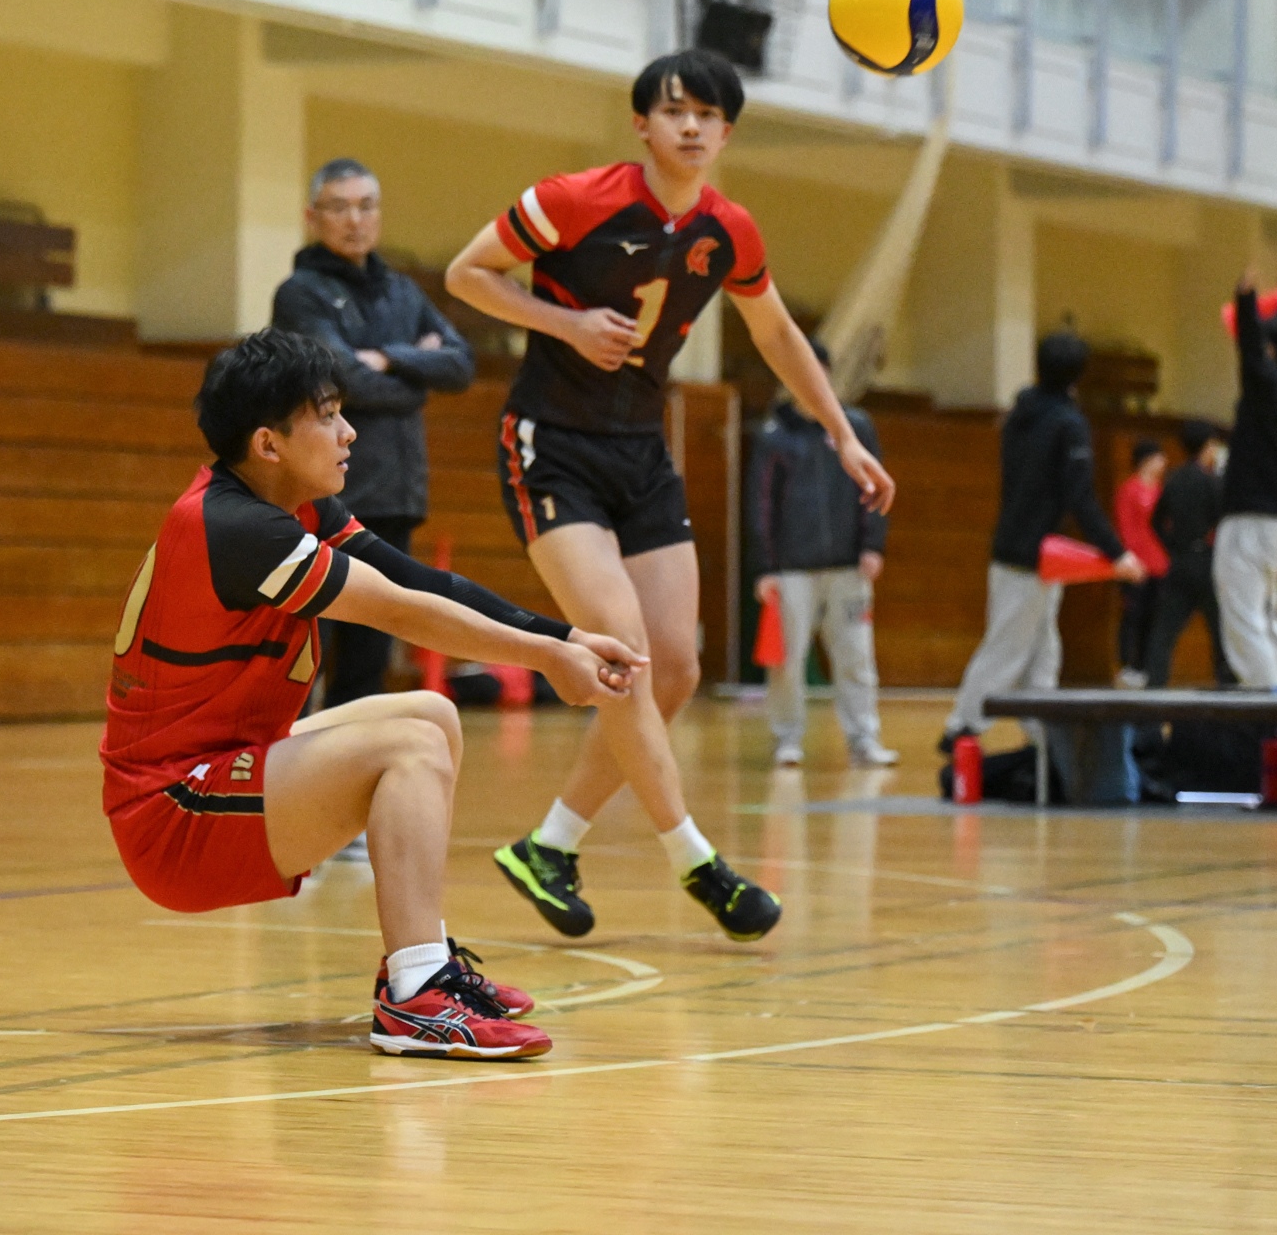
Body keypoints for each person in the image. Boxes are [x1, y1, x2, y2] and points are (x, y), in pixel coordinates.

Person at [445, 48, 891, 942]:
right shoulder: (576, 199)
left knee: (677, 668)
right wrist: (566, 323)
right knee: (626, 653)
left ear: (727, 133)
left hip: (642, 454)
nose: (691, 127)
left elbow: (776, 334)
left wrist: (842, 433)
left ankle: (549, 845)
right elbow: (467, 273)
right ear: (641, 124)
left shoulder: (730, 231)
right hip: (552, 448)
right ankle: (697, 859)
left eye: (708, 115)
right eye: (675, 111)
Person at [103, 330, 644, 1058]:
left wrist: (567, 637)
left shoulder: (292, 507)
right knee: (408, 745)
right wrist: (547, 658)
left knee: (431, 712)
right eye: (328, 415)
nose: (349, 431)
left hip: (221, 769)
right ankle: (416, 998)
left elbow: (421, 582)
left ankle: (424, 963)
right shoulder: (236, 527)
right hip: (174, 812)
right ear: (268, 444)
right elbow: (400, 612)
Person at [272, 156, 475, 722]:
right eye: (339, 207)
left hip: (394, 497)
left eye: (366, 206)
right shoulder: (300, 294)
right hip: (324, 499)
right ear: (313, 216)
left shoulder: (403, 293)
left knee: (368, 664)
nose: (354, 220)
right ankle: (284, 767)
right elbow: (343, 377)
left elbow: (460, 364)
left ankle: (348, 767)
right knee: (306, 656)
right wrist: (416, 376)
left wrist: (387, 357)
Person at [941, 333, 1146, 748]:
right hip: (1032, 554)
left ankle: (1043, 733)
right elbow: (1080, 497)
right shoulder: (1068, 423)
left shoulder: (1019, 414)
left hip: (1022, 549)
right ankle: (961, 727)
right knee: (1008, 647)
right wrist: (1117, 552)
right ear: (1079, 374)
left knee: (1043, 648)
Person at [746, 339, 894, 767]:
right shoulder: (775, 436)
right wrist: (766, 567)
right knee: (787, 662)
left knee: (856, 656)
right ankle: (787, 737)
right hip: (792, 570)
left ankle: (863, 739)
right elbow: (760, 504)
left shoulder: (856, 427)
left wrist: (872, 545)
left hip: (848, 567)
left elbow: (874, 485)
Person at [1215, 274, 1277, 692]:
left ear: (1272, 348)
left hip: (1249, 517)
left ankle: (1268, 704)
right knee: (1265, 610)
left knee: (1243, 614)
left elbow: (1250, 350)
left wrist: (1246, 299)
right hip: (1274, 520)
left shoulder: (1267, 386)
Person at [1141, 420, 1233, 690]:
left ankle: (1154, 689)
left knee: (1164, 632)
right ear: (1207, 446)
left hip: (1179, 562)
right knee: (1220, 631)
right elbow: (1224, 520)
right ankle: (1228, 688)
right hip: (1206, 561)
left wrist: (1173, 545)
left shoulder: (1173, 479)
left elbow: (1155, 522)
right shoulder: (1211, 481)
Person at [1112, 438, 1170, 690]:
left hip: (1160, 564)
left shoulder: (1161, 491)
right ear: (1146, 460)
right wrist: (1133, 560)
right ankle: (1127, 665)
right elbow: (1126, 528)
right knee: (1132, 616)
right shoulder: (1129, 489)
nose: (1163, 462)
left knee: (1153, 618)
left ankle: (1145, 667)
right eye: (1159, 457)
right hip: (1137, 566)